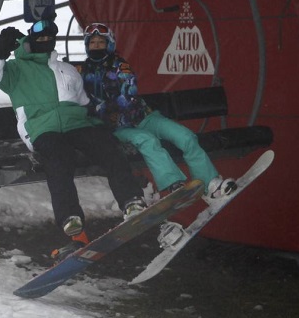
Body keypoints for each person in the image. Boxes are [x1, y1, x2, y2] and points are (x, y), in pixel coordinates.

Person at [0, 18, 146, 252]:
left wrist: (97, 123)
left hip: (76, 124)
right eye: (39, 37)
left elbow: (82, 102)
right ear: (30, 39)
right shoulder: (15, 70)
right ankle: (70, 217)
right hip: (42, 128)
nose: (45, 41)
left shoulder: (66, 69)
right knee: (59, 157)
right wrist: (0, 49)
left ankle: (131, 201)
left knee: (107, 146)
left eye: (50, 37)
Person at [78, 22, 237, 203]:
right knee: (149, 141)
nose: (97, 46)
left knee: (185, 136)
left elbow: (129, 90)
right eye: (93, 43)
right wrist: (101, 114)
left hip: (143, 116)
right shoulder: (83, 72)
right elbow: (84, 101)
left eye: (101, 42)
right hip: (118, 127)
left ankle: (211, 185)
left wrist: (110, 106)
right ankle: (174, 184)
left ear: (109, 44)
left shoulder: (120, 65)